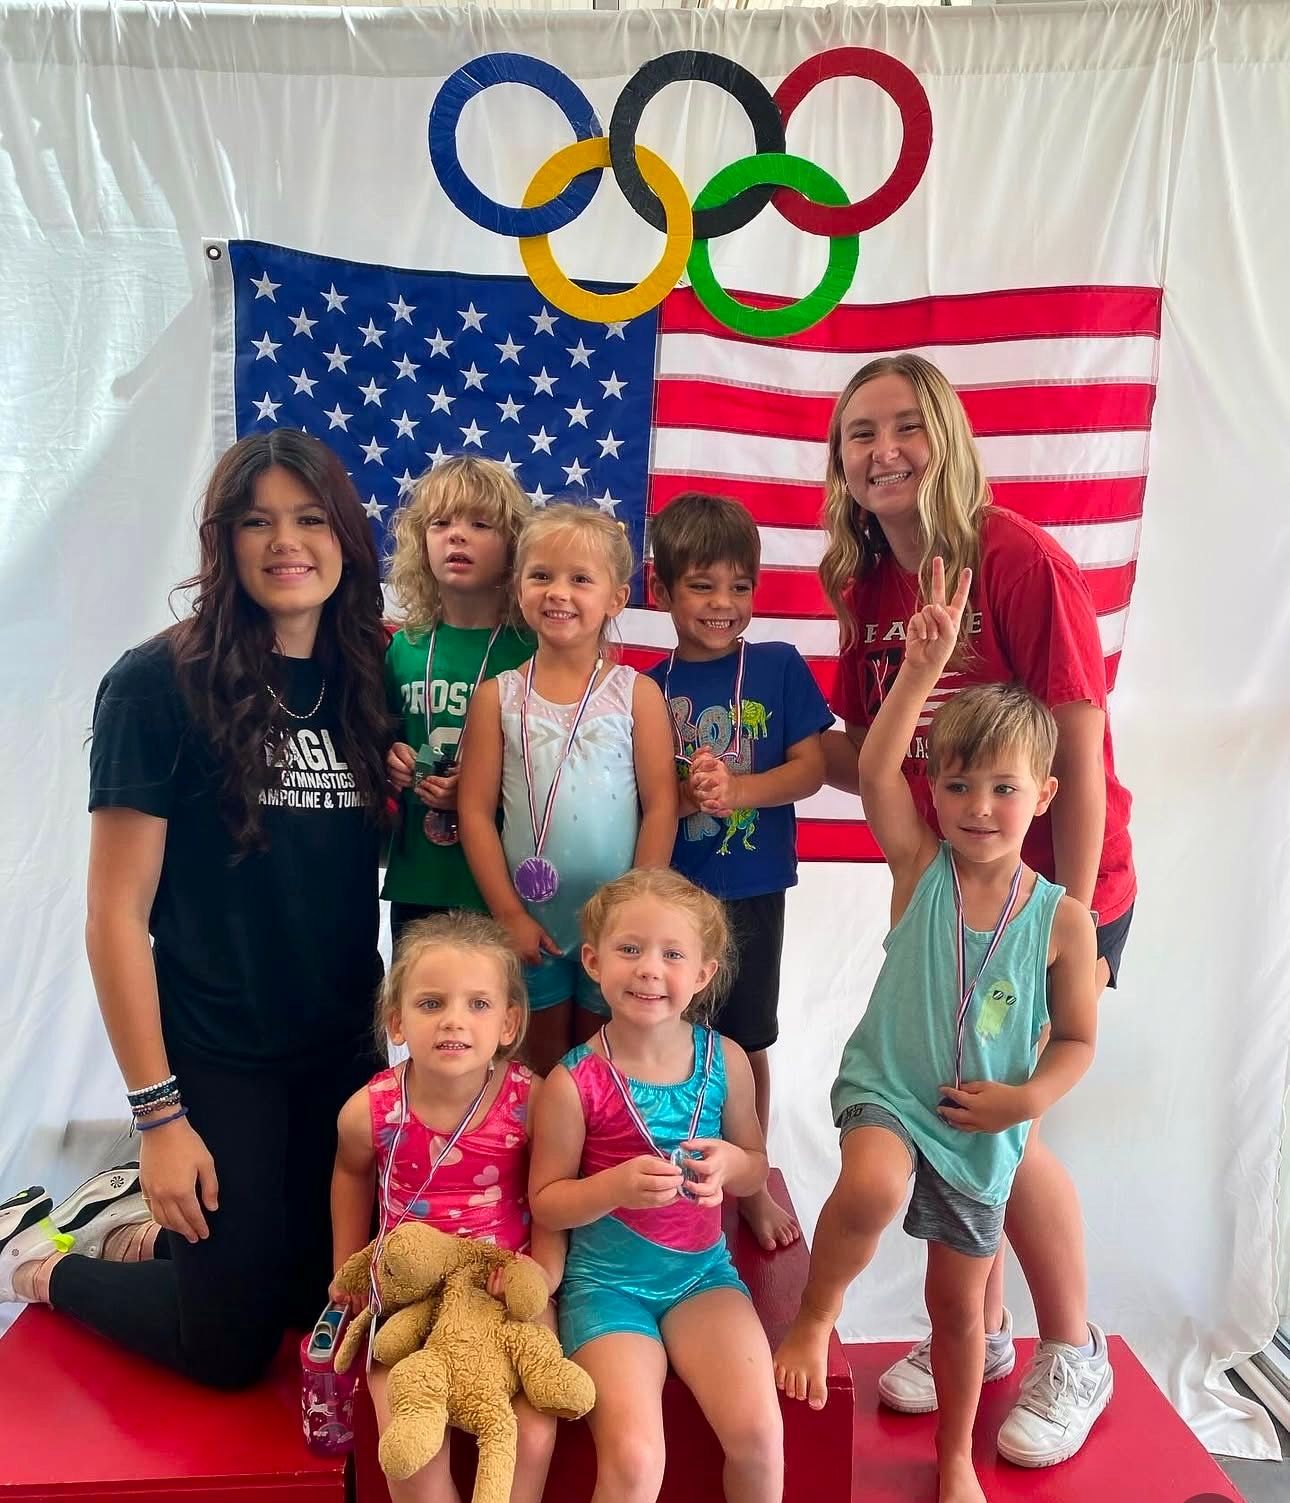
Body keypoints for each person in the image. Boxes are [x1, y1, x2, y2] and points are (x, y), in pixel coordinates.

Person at [0, 430, 391, 1389]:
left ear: (344, 536)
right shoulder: (156, 685)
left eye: (308, 518)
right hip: (218, 1057)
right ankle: (41, 1259)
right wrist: (159, 1115)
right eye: (256, 521)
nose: (285, 542)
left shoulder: (370, 678)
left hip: (341, 1051)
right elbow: (113, 916)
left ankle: (142, 1232)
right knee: (226, 1346)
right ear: (222, 543)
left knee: (325, 1303)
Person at [818, 353, 1131, 1463]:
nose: (884, 450)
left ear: (947, 437)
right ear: (841, 460)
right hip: (948, 892)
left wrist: (1073, 931)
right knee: (957, 1100)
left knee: (1012, 1121)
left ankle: (1072, 1348)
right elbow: (874, 752)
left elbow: (1081, 754)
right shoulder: (868, 590)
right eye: (861, 433)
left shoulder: (1015, 558)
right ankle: (980, 1332)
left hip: (1052, 899)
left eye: (906, 427)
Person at [775, 560, 1098, 1503]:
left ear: (1043, 794)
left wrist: (1026, 1099)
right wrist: (922, 666)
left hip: (984, 1125)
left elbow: (1076, 1038)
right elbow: (875, 766)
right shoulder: (919, 866)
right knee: (871, 1187)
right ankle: (815, 1313)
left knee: (959, 1309)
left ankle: (956, 1454)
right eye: (960, 787)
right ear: (938, 793)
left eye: (1004, 789)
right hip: (893, 1089)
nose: (980, 809)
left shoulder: (1062, 920)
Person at [529, 868, 783, 1503]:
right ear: (593, 960)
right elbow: (546, 1201)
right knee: (638, 1458)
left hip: (701, 1276)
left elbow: (754, 1160)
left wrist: (731, 1165)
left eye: (672, 955)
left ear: (702, 974)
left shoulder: (724, 1059)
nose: (648, 969)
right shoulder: (571, 1082)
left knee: (758, 1435)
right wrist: (611, 1187)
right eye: (630, 949)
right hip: (607, 1288)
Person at [645, 492, 831, 1252]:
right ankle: (670, 1172)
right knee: (667, 1037)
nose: (724, 603)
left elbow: (814, 766)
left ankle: (750, 1178)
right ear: (660, 591)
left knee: (747, 1037)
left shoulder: (779, 667)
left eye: (739, 586)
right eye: (702, 585)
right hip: (673, 899)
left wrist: (741, 791)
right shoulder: (644, 687)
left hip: (750, 890)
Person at [329, 911, 560, 1503]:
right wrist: (348, 1270)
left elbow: (554, 1193)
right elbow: (350, 1175)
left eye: (478, 1005)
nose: (454, 1020)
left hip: (501, 1285)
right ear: (396, 1021)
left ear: (509, 1022)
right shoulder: (371, 1111)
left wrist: (544, 1276)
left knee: (532, 1436)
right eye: (432, 1003)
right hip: (409, 1289)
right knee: (410, 1450)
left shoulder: (529, 1103)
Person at [458, 504, 677, 1076]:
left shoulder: (636, 695)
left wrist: (635, 911)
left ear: (616, 598)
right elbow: (476, 814)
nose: (559, 593)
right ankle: (542, 1167)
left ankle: (598, 1165)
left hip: (614, 927)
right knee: (539, 1071)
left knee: (605, 1067)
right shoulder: (497, 698)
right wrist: (508, 912)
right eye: (542, 576)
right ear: (518, 589)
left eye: (580, 579)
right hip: (530, 920)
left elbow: (660, 806)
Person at [383, 457, 534, 948]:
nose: (456, 536)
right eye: (440, 523)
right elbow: (378, 737)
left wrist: (476, 790)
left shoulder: (532, 649)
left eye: (479, 524)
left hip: (503, 881)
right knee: (419, 1014)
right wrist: (390, 758)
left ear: (514, 545)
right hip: (418, 875)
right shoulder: (404, 646)